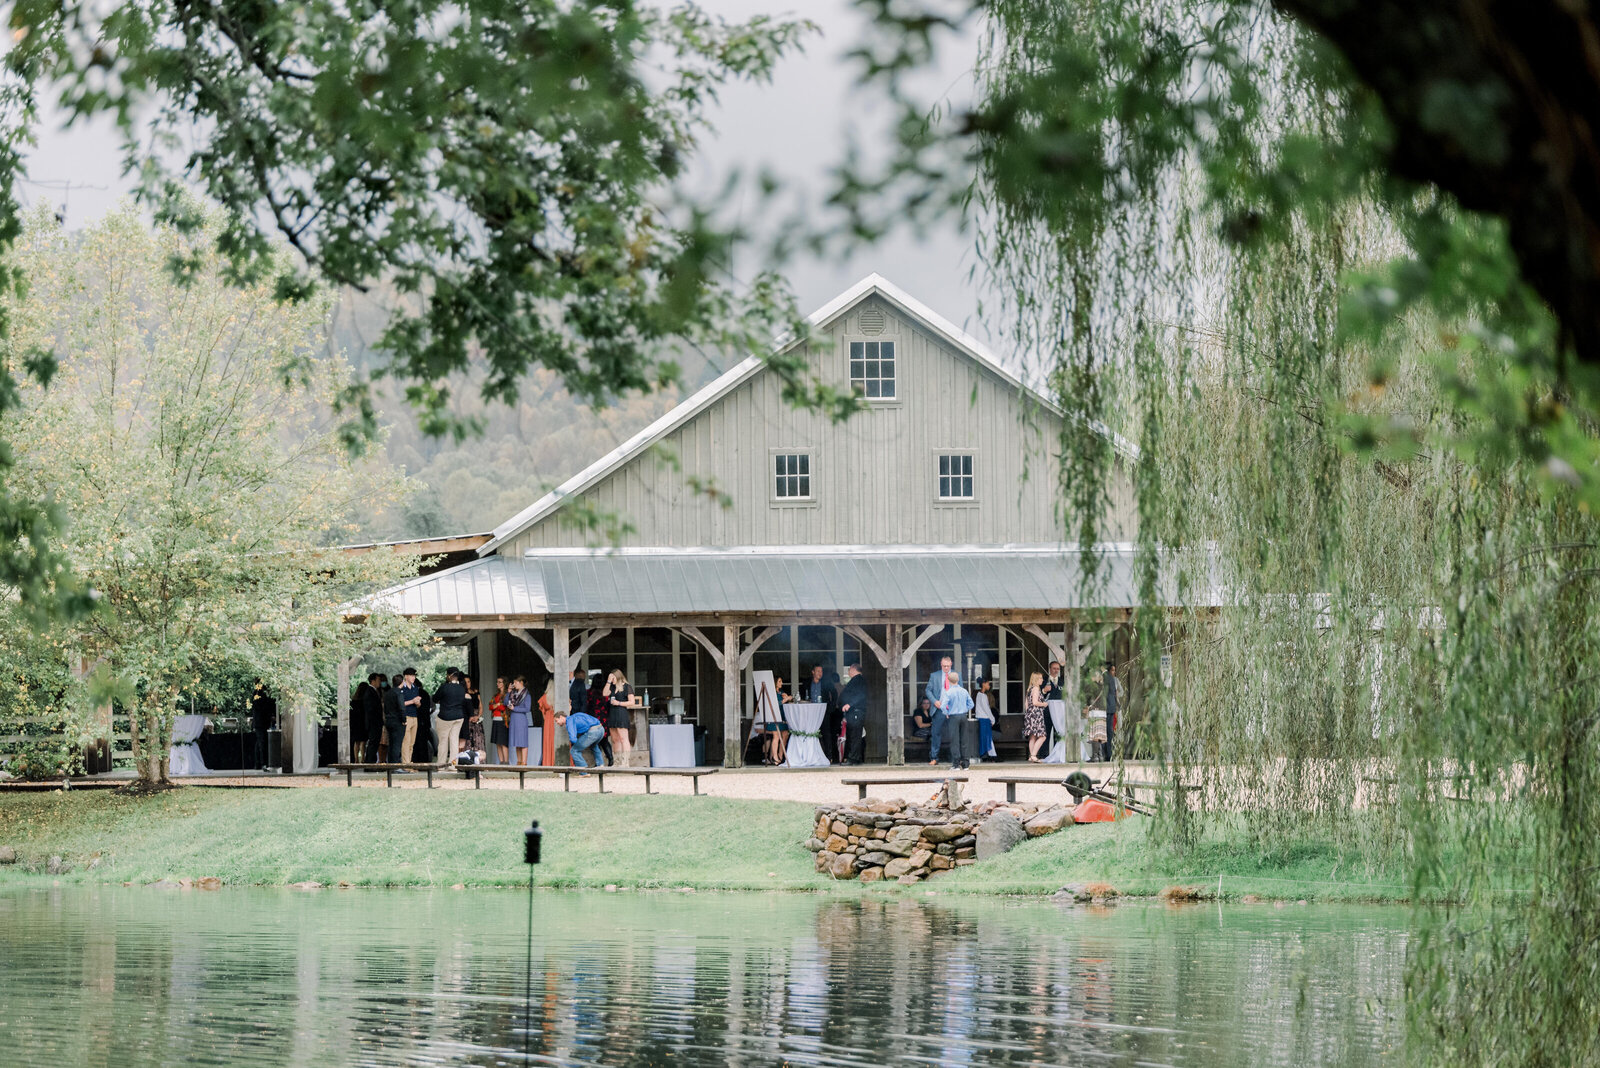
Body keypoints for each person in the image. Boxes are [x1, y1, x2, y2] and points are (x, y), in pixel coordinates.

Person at [1086, 661, 1127, 762]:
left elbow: (1104, 692)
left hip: (1106, 707)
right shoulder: (1111, 678)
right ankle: (1106, 754)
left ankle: (1106, 754)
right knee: (1107, 731)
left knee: (1102, 731)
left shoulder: (1106, 677)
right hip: (1111, 706)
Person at [432, 669, 468, 766]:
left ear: (449, 676)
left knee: (443, 741)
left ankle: (441, 765)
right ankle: (453, 765)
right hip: (459, 717)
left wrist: (442, 700)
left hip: (445, 717)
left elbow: (434, 698)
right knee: (454, 741)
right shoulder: (461, 688)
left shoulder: (444, 687)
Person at [939, 670, 973, 770]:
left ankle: (956, 764)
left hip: (953, 716)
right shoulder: (964, 691)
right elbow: (971, 704)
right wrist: (965, 710)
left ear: (949, 680)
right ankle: (966, 764)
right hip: (963, 716)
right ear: (958, 680)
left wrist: (947, 713)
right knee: (965, 740)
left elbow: (943, 706)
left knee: (955, 741)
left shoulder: (948, 692)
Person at [837, 662, 868, 765]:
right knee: (853, 735)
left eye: (849, 669)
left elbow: (860, 695)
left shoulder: (859, 680)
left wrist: (849, 704)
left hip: (856, 712)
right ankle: (856, 758)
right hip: (852, 712)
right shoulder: (855, 680)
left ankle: (853, 759)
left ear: (853, 669)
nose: (848, 672)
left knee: (855, 736)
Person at [925, 655, 954, 765]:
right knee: (935, 734)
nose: (946, 668)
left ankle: (955, 758)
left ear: (951, 664)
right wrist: (934, 701)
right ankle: (934, 758)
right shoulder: (934, 676)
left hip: (952, 710)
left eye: (947, 666)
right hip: (938, 709)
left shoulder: (956, 675)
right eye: (944, 666)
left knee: (954, 734)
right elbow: (928, 690)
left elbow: (960, 690)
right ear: (941, 665)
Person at [561, 705, 607, 770]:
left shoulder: (569, 721)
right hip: (601, 729)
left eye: (557, 720)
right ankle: (600, 765)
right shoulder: (577, 714)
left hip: (592, 732)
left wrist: (573, 742)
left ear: (561, 717)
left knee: (574, 750)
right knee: (593, 745)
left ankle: (583, 771)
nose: (557, 723)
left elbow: (573, 738)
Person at [606, 670, 635, 764]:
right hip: (612, 713)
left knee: (623, 738)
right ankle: (617, 761)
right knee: (615, 739)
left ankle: (625, 762)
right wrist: (608, 681)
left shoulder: (627, 686)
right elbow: (605, 693)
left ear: (618, 677)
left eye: (613, 677)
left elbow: (632, 702)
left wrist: (619, 703)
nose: (612, 679)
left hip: (621, 712)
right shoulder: (612, 687)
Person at [396, 668, 424, 764]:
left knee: (412, 743)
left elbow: (418, 705)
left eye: (414, 676)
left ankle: (409, 762)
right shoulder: (401, 688)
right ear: (406, 676)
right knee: (406, 742)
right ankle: (405, 764)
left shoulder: (415, 688)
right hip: (406, 717)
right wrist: (412, 701)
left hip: (414, 716)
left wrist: (417, 702)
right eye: (411, 675)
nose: (413, 677)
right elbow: (399, 703)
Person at [249, 679, 276, 770]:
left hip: (261, 721)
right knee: (262, 742)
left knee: (260, 742)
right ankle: (263, 763)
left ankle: (259, 763)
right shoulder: (259, 693)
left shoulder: (258, 692)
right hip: (261, 721)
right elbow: (263, 706)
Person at [507, 675, 532, 766]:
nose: (514, 684)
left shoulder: (526, 695)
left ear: (521, 682)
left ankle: (524, 762)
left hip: (521, 719)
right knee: (517, 742)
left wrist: (514, 708)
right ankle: (519, 761)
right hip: (513, 719)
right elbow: (506, 702)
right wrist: (508, 692)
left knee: (523, 742)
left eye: (515, 682)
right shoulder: (513, 693)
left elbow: (527, 709)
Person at [1024, 670, 1048, 763]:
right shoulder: (1036, 689)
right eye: (1041, 678)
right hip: (1036, 715)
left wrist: (1028, 714)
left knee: (1033, 736)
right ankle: (1034, 755)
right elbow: (1035, 702)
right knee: (1042, 736)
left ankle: (1031, 756)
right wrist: (1044, 704)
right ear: (1036, 679)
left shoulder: (1029, 689)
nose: (1042, 680)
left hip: (1030, 714)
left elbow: (1026, 704)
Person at [381, 674, 405, 763]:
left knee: (391, 744)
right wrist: (404, 720)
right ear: (402, 682)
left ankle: (390, 764)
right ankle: (396, 765)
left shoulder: (387, 693)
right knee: (397, 745)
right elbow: (402, 707)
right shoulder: (399, 693)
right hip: (397, 721)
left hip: (389, 720)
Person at [362, 673, 385, 763]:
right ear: (373, 681)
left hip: (376, 723)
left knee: (375, 743)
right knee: (373, 743)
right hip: (373, 723)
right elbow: (371, 709)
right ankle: (370, 763)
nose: (380, 682)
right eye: (378, 680)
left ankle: (371, 761)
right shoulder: (369, 691)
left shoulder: (375, 691)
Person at [488, 677, 510, 765]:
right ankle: (501, 762)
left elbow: (504, 707)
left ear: (504, 684)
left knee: (503, 742)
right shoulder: (495, 695)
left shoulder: (507, 695)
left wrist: (496, 705)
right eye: (497, 682)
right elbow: (490, 706)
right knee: (497, 743)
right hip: (495, 719)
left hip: (503, 720)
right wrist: (497, 705)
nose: (497, 684)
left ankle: (506, 762)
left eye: (500, 682)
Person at [462, 675, 485, 758]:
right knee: (468, 741)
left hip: (477, 718)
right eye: (465, 682)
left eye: (469, 681)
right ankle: (467, 760)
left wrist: (478, 716)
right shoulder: (462, 693)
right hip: (467, 718)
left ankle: (481, 761)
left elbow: (481, 706)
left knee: (479, 739)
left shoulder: (475, 691)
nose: (467, 684)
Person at [975, 679, 998, 761]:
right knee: (988, 738)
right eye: (988, 684)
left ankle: (990, 754)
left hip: (981, 718)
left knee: (985, 738)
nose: (989, 686)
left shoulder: (979, 695)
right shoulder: (983, 696)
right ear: (983, 684)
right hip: (984, 719)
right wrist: (992, 719)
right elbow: (987, 709)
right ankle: (991, 755)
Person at [349, 678, 370, 761]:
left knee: (356, 742)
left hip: (355, 723)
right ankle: (363, 759)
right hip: (363, 722)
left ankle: (356, 759)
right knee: (363, 742)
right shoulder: (365, 701)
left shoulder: (353, 701)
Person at [538, 682, 556, 766]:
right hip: (558, 718)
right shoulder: (560, 696)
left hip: (548, 720)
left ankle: (548, 762)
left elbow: (543, 713)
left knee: (548, 741)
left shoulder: (544, 697)